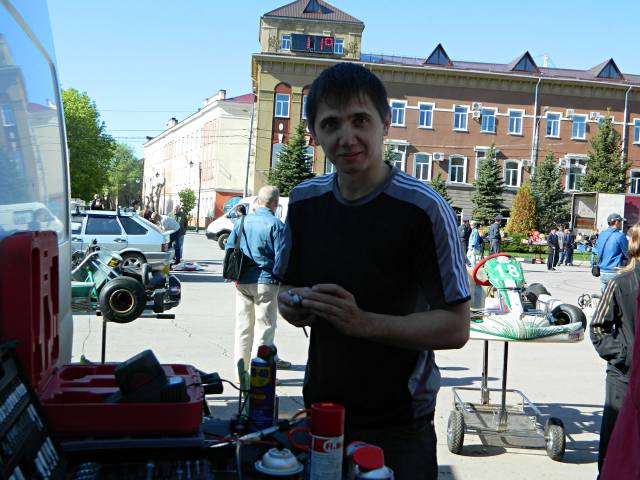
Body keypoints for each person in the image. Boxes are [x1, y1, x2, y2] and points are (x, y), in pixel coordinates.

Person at [274, 63, 470, 479]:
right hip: (322, 410)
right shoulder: (305, 202)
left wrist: (362, 323)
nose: (347, 138)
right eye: (331, 124)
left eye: (360, 120)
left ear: (385, 124)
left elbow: (456, 328)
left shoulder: (423, 209)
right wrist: (293, 304)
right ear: (313, 134)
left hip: (399, 423)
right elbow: (286, 287)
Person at [590, 223, 640, 476]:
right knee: (613, 441)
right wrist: (624, 356)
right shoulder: (621, 282)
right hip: (623, 377)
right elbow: (598, 327)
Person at [227, 185, 291, 376]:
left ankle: (241, 373)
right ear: (275, 203)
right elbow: (282, 257)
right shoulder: (276, 225)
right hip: (266, 281)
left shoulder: (242, 222)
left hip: (242, 281)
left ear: (258, 201)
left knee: (243, 328)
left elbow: (230, 248)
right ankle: (260, 376)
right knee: (265, 329)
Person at [596, 213, 629, 292]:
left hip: (602, 272)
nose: (621, 224)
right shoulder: (620, 236)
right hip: (614, 272)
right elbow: (628, 254)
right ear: (616, 222)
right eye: (620, 221)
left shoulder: (602, 234)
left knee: (604, 298)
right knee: (618, 298)